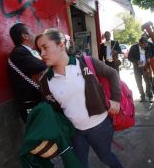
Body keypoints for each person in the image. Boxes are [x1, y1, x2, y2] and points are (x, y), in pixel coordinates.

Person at [36, 28, 123, 168]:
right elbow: (55, 110)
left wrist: (116, 100)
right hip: (74, 132)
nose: (42, 54)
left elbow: (113, 73)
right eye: (39, 49)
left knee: (106, 157)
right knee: (78, 165)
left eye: (45, 47)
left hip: (99, 126)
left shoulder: (84, 63)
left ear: (61, 45)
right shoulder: (46, 81)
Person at [8, 23, 47, 122]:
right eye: (31, 31)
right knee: (38, 131)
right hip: (30, 102)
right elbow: (39, 66)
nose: (34, 34)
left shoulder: (27, 51)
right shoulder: (19, 53)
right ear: (25, 36)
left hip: (36, 99)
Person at [128, 36, 153, 102]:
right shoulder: (133, 47)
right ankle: (142, 96)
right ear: (140, 43)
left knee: (148, 82)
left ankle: (150, 95)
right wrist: (136, 61)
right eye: (143, 45)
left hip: (146, 67)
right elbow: (129, 57)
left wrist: (149, 58)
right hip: (137, 68)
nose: (145, 47)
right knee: (139, 83)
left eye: (146, 45)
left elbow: (151, 54)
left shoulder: (148, 47)